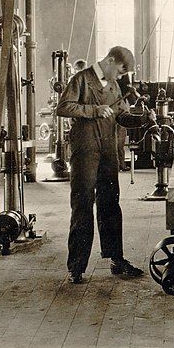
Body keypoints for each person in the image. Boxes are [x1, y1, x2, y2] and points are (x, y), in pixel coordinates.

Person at [56, 46, 147, 284]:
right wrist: (94, 110)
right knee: (83, 204)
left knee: (110, 205)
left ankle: (117, 260)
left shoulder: (115, 86)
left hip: (108, 151)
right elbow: (63, 107)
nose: (119, 77)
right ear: (109, 61)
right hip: (86, 150)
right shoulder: (82, 80)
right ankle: (76, 267)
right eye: (119, 71)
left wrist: (142, 118)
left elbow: (120, 116)